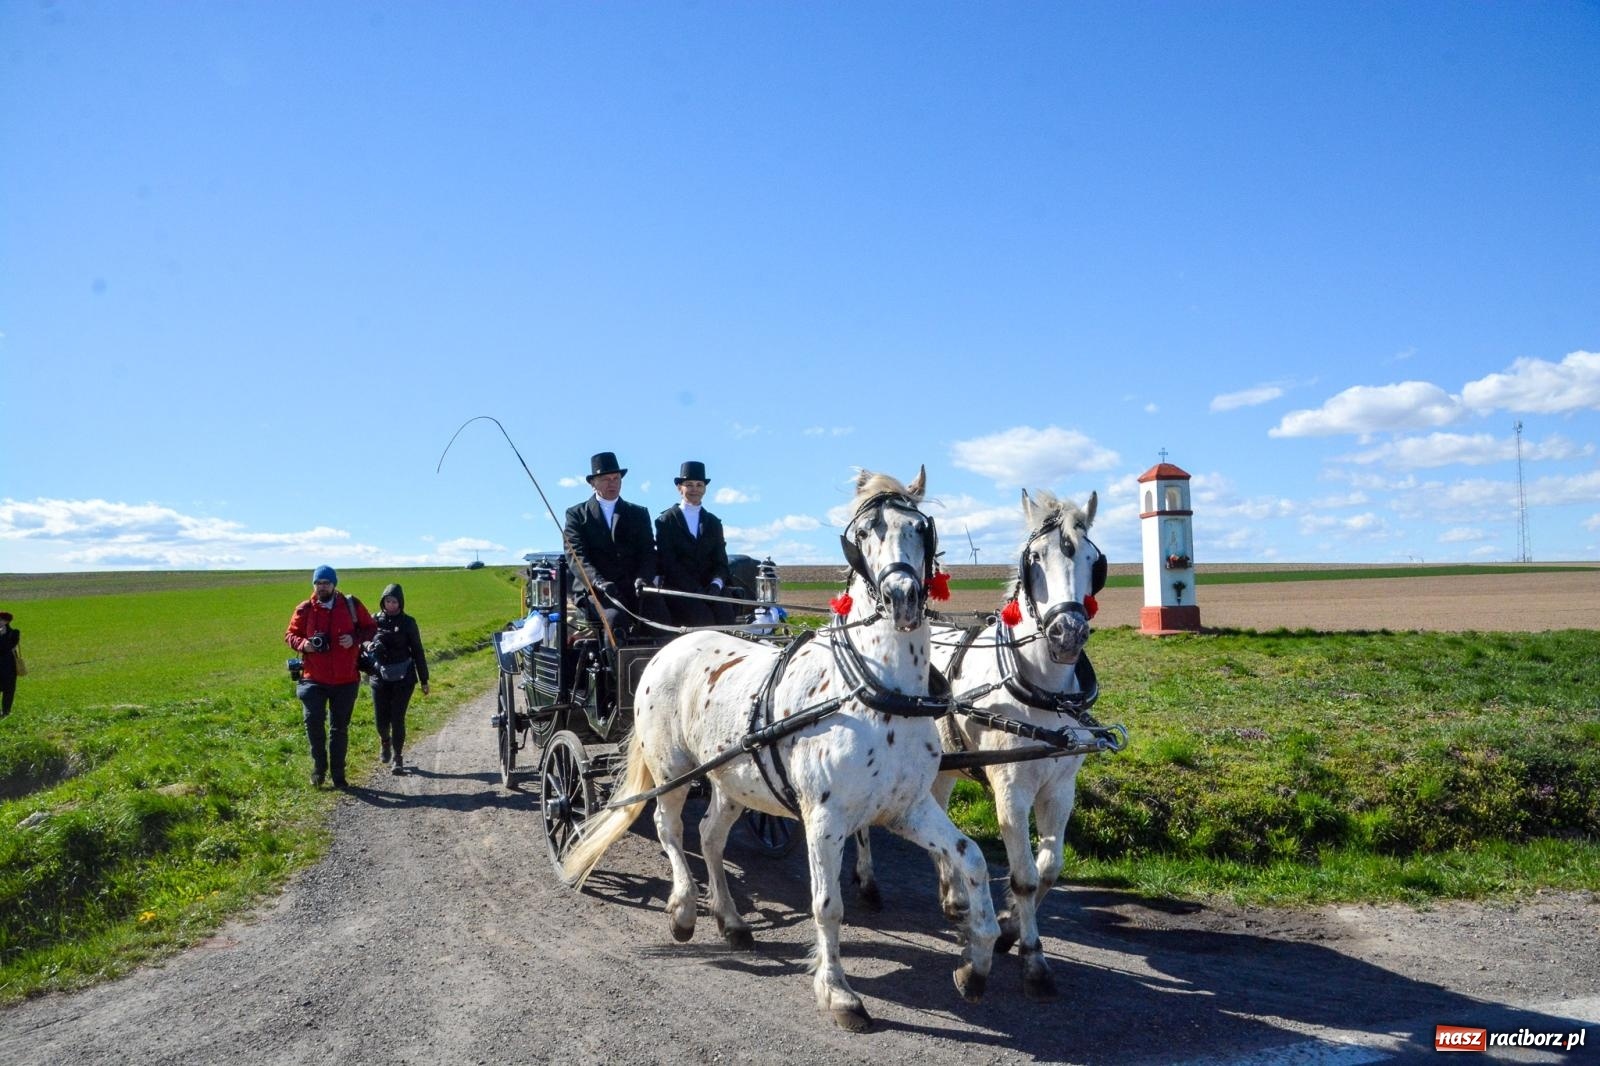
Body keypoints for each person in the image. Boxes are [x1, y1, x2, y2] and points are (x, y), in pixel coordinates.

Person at [284, 566, 377, 788]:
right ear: (313, 585)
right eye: (318, 583)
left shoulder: (351, 605)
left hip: (346, 679)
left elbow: (371, 628)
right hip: (313, 678)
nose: (322, 586)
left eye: (326, 582)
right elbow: (290, 635)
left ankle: (338, 775)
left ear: (334, 584)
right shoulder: (305, 609)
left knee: (339, 728)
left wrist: (354, 638)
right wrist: (303, 644)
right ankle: (319, 769)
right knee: (313, 723)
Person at [562, 451, 669, 639]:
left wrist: (643, 578)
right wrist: (598, 581)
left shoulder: (638, 513)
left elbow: (648, 552)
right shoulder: (576, 515)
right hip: (597, 592)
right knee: (615, 619)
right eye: (605, 479)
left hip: (635, 589)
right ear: (592, 483)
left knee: (661, 617)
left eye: (616, 478)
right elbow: (576, 555)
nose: (612, 483)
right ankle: (618, 667)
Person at [655, 460, 737, 627]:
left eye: (699, 485)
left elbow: (721, 562)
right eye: (689, 485)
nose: (694, 489)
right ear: (679, 487)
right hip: (680, 591)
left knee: (727, 618)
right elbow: (668, 563)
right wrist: (693, 589)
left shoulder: (714, 523)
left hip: (711, 591)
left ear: (704, 489)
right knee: (703, 619)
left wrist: (716, 584)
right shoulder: (666, 521)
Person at [365, 583, 430, 775]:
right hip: (379, 677)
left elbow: (418, 651)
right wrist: (370, 645)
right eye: (387, 601)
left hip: (404, 678)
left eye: (394, 601)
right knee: (381, 721)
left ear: (400, 602)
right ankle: (385, 741)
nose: (391, 605)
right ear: (382, 602)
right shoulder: (374, 620)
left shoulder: (408, 622)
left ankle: (398, 757)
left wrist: (424, 679)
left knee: (397, 719)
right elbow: (363, 640)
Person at [0, 611, 19, 718]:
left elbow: (6, 648)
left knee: (9, 690)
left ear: (6, 621)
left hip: (9, 667)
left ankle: (6, 712)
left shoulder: (14, 633)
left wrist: (2, 636)